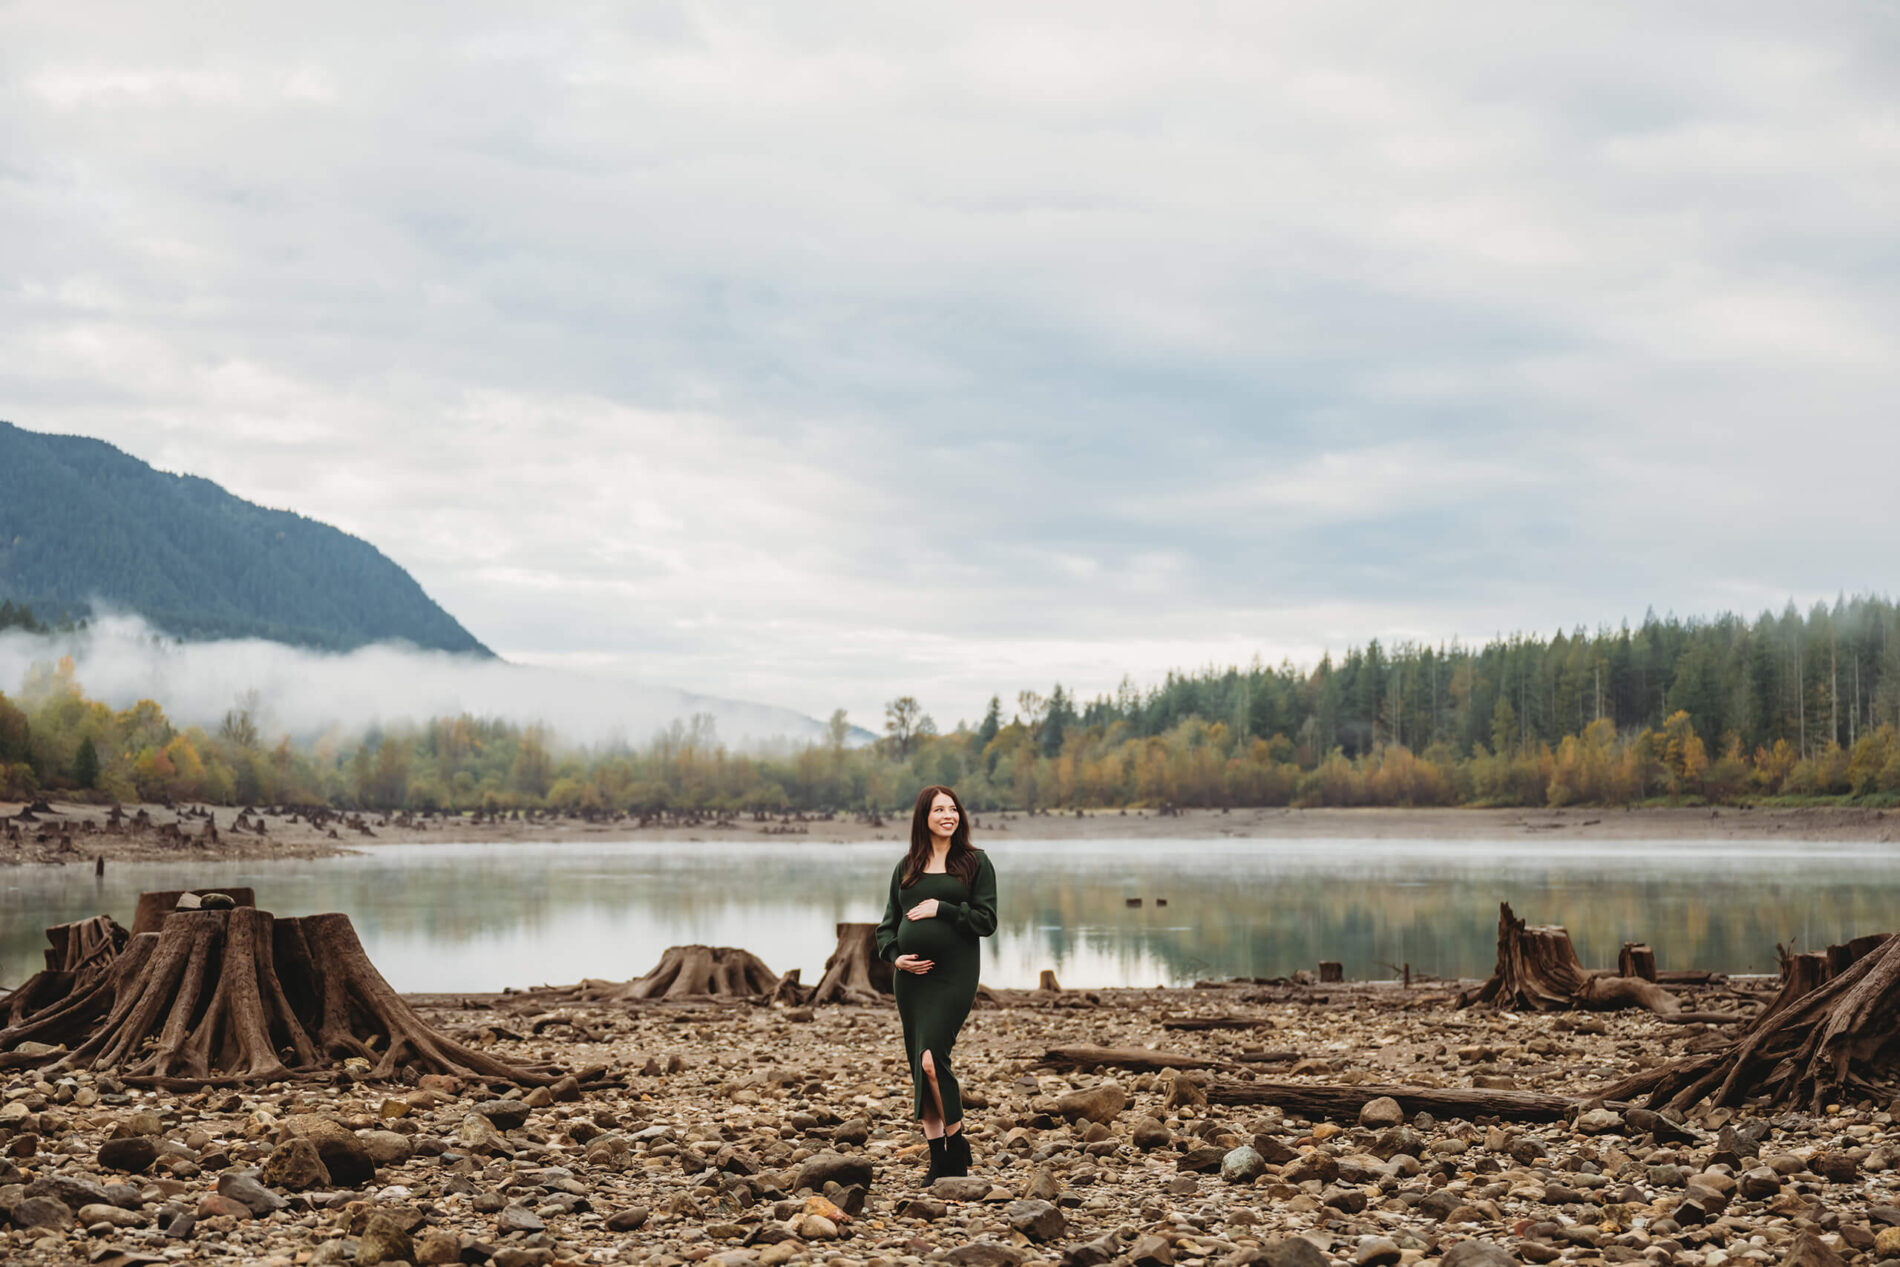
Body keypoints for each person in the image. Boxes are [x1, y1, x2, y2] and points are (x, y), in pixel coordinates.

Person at [874, 784, 998, 1185]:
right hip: (912, 982)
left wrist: (942, 909)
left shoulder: (975, 863)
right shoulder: (907, 866)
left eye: (953, 809)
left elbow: (986, 921)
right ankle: (937, 1158)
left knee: (932, 1059)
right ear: (924, 818)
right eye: (939, 810)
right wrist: (896, 957)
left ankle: (957, 1145)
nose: (949, 816)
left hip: (954, 976)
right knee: (919, 1065)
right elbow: (887, 925)